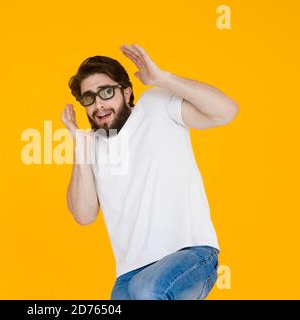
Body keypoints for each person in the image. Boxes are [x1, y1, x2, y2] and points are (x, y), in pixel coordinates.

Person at [60, 43, 238, 300]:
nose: (98, 104)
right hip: (129, 274)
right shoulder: (92, 145)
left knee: (147, 290)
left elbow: (226, 111)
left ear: (127, 91)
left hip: (190, 256)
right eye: (89, 98)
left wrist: (162, 79)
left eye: (106, 92)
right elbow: (84, 214)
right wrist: (80, 145)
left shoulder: (156, 106)